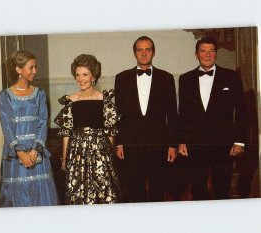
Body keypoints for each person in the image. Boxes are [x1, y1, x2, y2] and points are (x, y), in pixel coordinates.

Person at [178, 36, 247, 200]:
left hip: (224, 144)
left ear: (216, 54)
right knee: (198, 190)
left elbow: (242, 111)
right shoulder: (185, 79)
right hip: (195, 145)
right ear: (196, 55)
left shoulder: (231, 77)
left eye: (211, 51)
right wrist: (181, 140)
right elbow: (183, 113)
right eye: (203, 51)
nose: (207, 55)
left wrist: (240, 141)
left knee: (222, 190)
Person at [114, 36, 178, 202]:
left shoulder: (167, 78)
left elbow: (172, 114)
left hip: (159, 144)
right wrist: (119, 143)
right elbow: (118, 114)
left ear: (153, 52)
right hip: (132, 144)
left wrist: (173, 145)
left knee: (158, 188)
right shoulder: (121, 78)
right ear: (135, 53)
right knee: (135, 189)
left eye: (147, 49)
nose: (144, 53)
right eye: (140, 50)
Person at [54, 54, 121, 205]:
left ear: (93, 76)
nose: (80, 79)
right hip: (77, 153)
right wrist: (65, 158)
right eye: (77, 75)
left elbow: (110, 131)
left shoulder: (103, 99)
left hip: (100, 153)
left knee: (104, 191)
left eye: (85, 74)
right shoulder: (71, 100)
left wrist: (109, 156)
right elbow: (66, 132)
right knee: (78, 191)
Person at [0, 50, 59, 207]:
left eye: (36, 67)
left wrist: (35, 150)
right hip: (15, 155)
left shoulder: (40, 94)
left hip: (36, 153)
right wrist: (20, 152)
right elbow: (7, 127)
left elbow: (43, 122)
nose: (35, 71)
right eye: (31, 67)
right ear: (19, 69)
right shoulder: (5, 96)